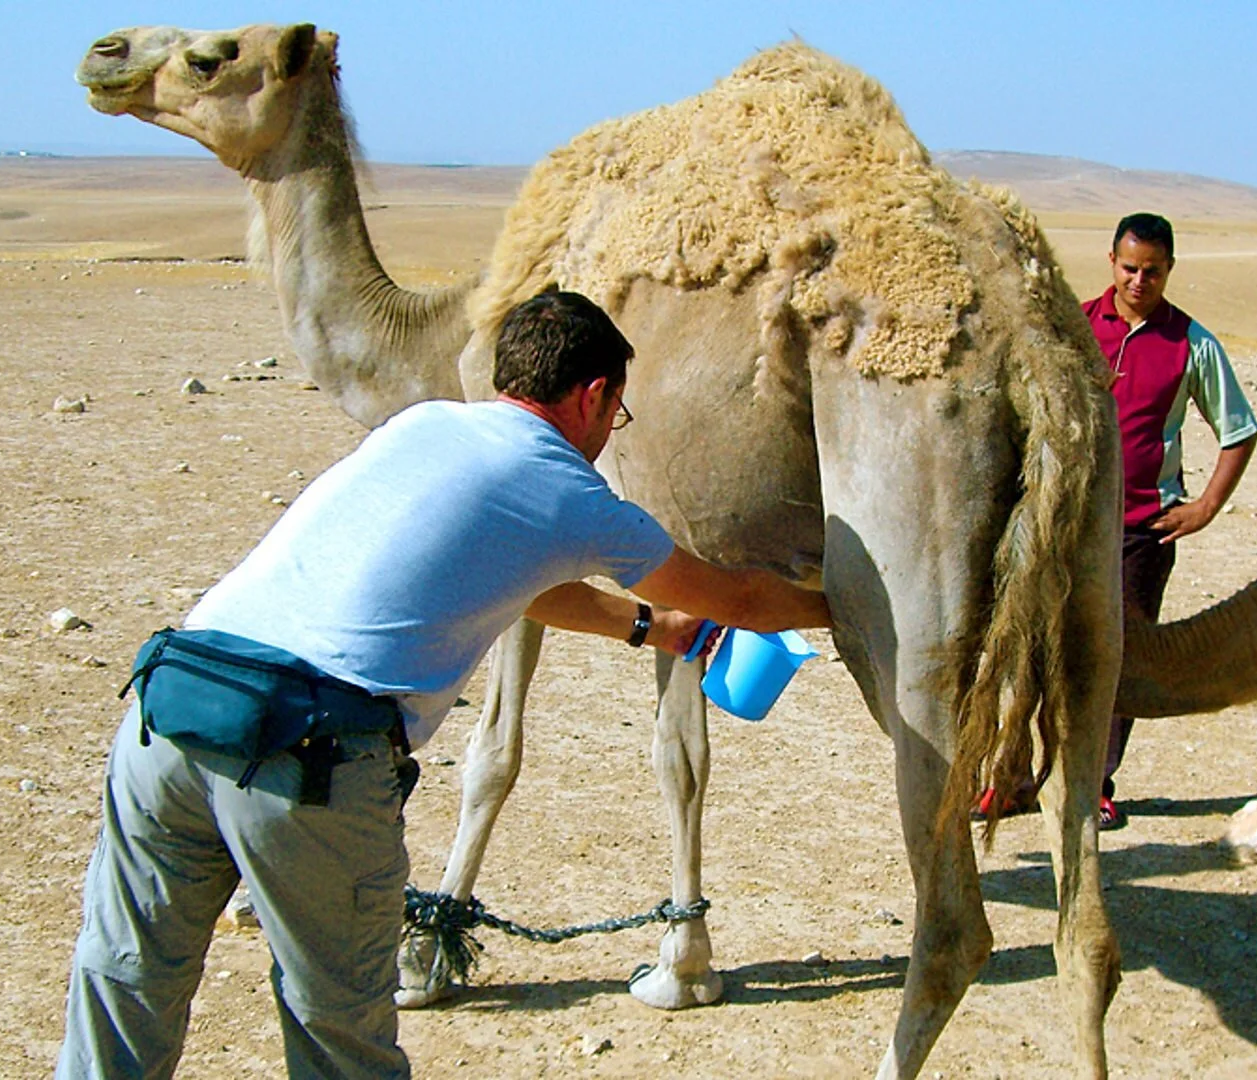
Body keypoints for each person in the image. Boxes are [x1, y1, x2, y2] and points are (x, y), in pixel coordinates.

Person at [56, 289, 832, 1079]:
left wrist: (646, 627)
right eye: (617, 413)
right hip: (309, 753)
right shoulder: (569, 490)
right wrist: (844, 606)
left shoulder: (423, 425)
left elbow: (521, 582)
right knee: (340, 1037)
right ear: (594, 395)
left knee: (124, 985)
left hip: (171, 710)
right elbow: (738, 600)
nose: (610, 431)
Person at [976, 212, 1257, 831]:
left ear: (1169, 269)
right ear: (1112, 261)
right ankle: (1012, 777)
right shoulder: (1074, 327)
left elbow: (1239, 430)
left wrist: (1205, 506)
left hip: (1140, 532)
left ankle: (1091, 784)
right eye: (1129, 268)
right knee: (1029, 648)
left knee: (1114, 659)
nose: (1139, 281)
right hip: (1061, 516)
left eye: (1152, 271)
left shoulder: (1192, 344)